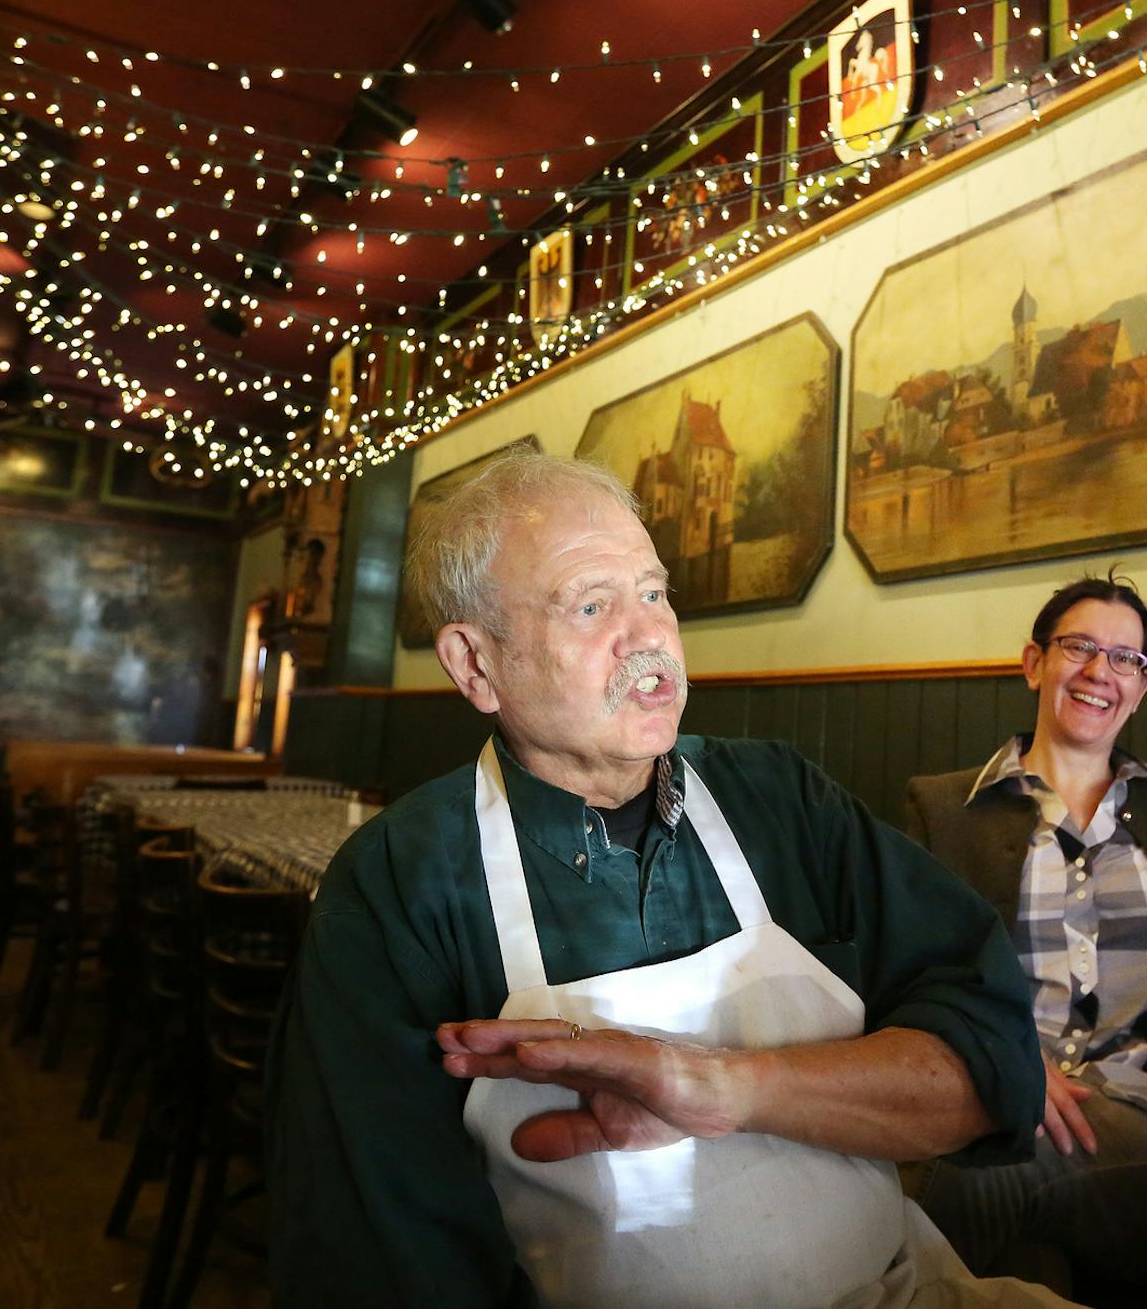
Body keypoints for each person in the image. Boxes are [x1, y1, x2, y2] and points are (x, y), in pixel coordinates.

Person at [266, 452, 1068, 1309]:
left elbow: (993, 1067)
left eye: (655, 593)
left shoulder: (784, 805)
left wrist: (730, 1088)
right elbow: (379, 1262)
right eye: (591, 604)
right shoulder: (399, 886)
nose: (648, 635)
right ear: (475, 665)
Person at [904, 572, 1147, 1297]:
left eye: (1126, 659)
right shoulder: (944, 809)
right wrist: (1005, 1064)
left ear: (1143, 686)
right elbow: (899, 971)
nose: (1099, 672)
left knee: (956, 1188)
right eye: (1079, 647)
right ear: (1034, 663)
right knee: (1023, 1268)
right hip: (985, 1104)